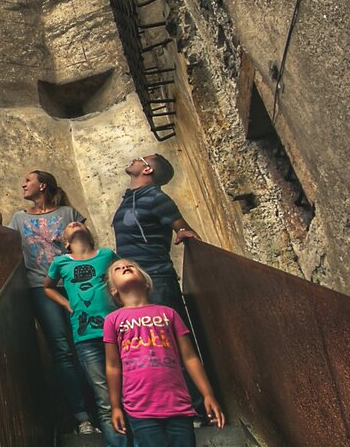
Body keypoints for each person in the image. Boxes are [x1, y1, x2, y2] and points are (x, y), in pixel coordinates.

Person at [0, 170, 95, 434]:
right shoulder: (19, 218)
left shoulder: (69, 214)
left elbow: (87, 249)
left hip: (76, 285)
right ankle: (82, 417)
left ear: (43, 185)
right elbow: (8, 247)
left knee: (90, 344)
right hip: (40, 287)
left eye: (29, 180)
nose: (23, 183)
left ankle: (104, 408)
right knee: (61, 349)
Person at [108, 153, 209, 420]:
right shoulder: (129, 199)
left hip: (157, 278)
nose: (133, 159)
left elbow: (182, 228)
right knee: (146, 348)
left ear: (148, 168)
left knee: (173, 343)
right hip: (135, 285)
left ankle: (197, 409)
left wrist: (183, 233)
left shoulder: (156, 197)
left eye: (140, 158)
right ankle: (158, 409)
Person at [103, 258, 225, 447]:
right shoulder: (113, 320)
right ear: (114, 290)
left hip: (178, 405)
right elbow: (112, 366)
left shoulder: (168, 314)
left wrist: (208, 394)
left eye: (130, 266)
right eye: (118, 269)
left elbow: (190, 357)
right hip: (140, 408)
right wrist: (115, 407)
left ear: (146, 282)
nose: (125, 267)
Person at [45, 221, 121, 446]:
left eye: (78, 223)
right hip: (86, 339)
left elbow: (123, 275)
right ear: (66, 243)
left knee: (130, 390)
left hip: (117, 332)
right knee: (104, 397)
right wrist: (66, 304)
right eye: (68, 226)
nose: (74, 224)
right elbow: (47, 287)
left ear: (90, 234)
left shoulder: (106, 255)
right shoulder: (61, 262)